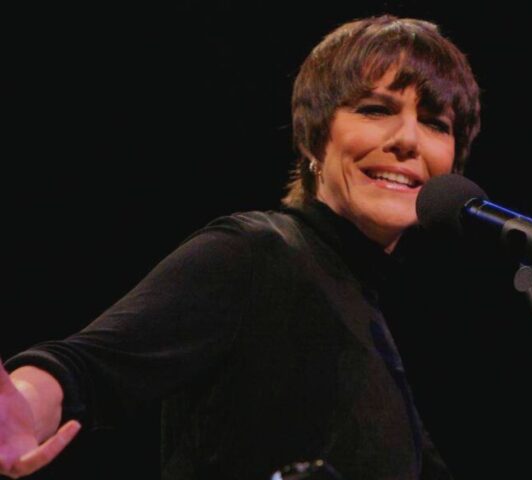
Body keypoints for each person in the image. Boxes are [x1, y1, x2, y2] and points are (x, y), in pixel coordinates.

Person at [0, 15, 481, 479]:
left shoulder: (372, 321)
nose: (408, 140)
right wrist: (21, 406)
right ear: (314, 138)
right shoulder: (257, 252)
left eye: (435, 123)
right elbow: (88, 366)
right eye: (375, 109)